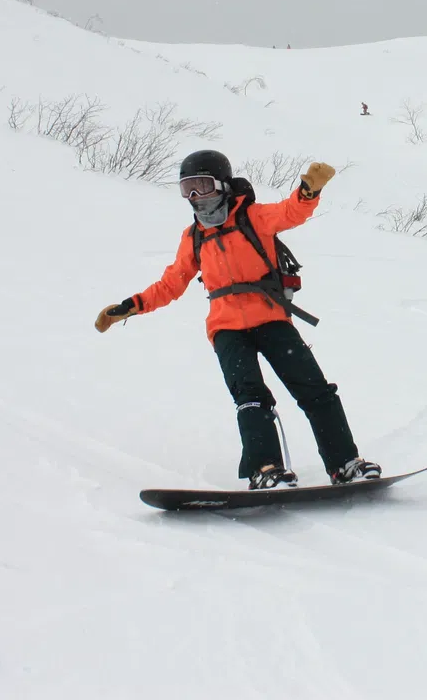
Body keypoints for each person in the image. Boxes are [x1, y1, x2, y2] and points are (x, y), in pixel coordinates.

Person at [95, 150, 381, 490]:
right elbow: (171, 283)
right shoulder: (194, 237)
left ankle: (345, 464)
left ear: (222, 185)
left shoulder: (253, 217)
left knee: (316, 391)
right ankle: (266, 469)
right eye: (187, 189)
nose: (195, 196)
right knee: (251, 397)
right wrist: (130, 306)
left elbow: (290, 213)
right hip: (226, 329)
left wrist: (308, 192)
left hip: (271, 319)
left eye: (201, 185)